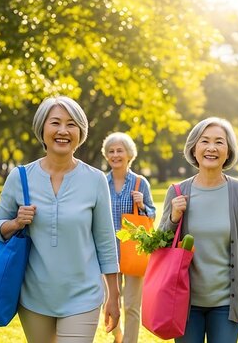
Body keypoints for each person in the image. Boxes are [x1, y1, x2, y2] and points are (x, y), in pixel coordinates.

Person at [0, 96, 120, 342]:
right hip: (33, 297)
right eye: (55, 123)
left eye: (71, 124)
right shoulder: (20, 177)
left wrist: (114, 295)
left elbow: (105, 241)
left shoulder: (95, 179)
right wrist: (16, 223)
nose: (63, 131)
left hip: (84, 295)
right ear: (42, 128)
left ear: (80, 132)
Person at [158, 117, 238, 343]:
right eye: (204, 141)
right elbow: (160, 246)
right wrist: (173, 218)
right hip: (185, 304)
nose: (211, 148)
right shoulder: (177, 191)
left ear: (228, 152)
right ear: (194, 149)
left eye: (219, 142)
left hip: (226, 305)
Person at [101, 132, 156, 343]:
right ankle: (119, 335)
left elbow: (152, 215)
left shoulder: (140, 183)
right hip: (107, 251)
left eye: (119, 151)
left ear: (129, 154)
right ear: (107, 155)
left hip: (134, 252)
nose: (115, 155)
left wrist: (142, 205)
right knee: (109, 299)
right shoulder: (101, 182)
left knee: (132, 304)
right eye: (111, 151)